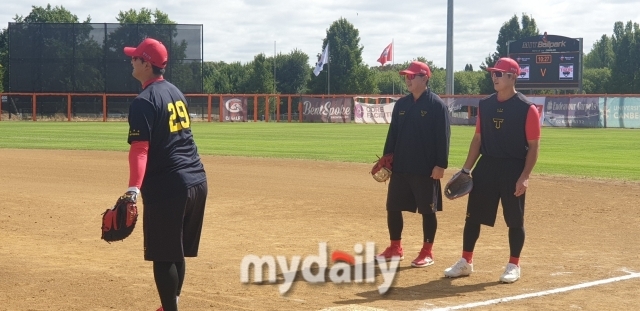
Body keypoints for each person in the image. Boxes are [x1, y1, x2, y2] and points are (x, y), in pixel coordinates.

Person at [122, 37, 208, 311]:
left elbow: (140, 149)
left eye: (135, 57)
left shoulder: (143, 101)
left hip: (169, 186)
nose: (132, 60)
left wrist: (133, 189)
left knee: (162, 255)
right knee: (175, 249)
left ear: (146, 64)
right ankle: (171, 305)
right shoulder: (175, 92)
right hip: (196, 180)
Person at [443, 57, 541, 283]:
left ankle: (514, 265)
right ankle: (466, 261)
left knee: (515, 220)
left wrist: (524, 176)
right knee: (473, 217)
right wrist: (466, 170)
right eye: (493, 73)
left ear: (512, 76)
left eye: (499, 73)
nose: (494, 77)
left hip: (513, 167)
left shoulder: (527, 108)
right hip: (486, 166)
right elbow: (477, 139)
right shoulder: (486, 105)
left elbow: (534, 147)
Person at [377, 61, 451, 268]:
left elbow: (443, 137)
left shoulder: (436, 105)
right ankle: (395, 248)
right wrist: (386, 160)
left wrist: (440, 165)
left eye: (412, 76)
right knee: (393, 207)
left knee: (428, 210)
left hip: (425, 169)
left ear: (425, 78)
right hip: (401, 166)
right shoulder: (402, 105)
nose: (407, 80)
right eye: (406, 77)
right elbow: (393, 135)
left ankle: (427, 250)